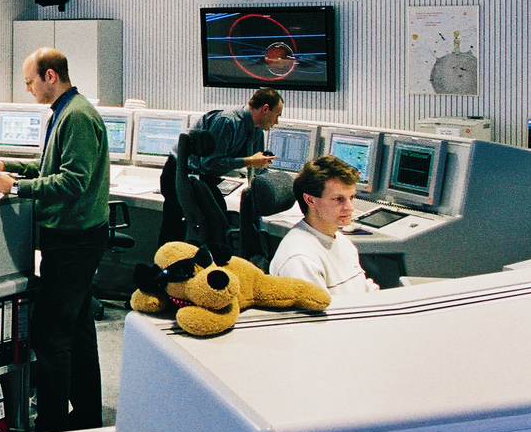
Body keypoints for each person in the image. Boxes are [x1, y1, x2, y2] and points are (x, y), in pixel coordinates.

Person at [0, 48, 110, 432]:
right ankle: (87, 414)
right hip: (73, 237)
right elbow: (51, 168)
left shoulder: (75, 117)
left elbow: (73, 181)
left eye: (30, 82)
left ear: (51, 76)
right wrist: (10, 166)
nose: (28, 89)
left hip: (74, 241)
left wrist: (19, 187)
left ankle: (52, 426)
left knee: (51, 331)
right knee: (77, 329)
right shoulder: (66, 112)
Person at [160, 87, 285, 246]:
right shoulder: (227, 120)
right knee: (175, 226)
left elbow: (257, 168)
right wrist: (249, 161)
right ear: (265, 109)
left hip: (203, 175)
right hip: (180, 172)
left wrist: (263, 193)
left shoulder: (256, 130)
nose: (277, 122)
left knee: (219, 221)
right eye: (277, 115)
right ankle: (164, 266)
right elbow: (211, 162)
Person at [270, 155, 379, 300]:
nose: (350, 208)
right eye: (339, 199)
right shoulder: (300, 259)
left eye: (351, 197)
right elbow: (320, 319)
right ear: (310, 200)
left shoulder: (341, 241)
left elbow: (363, 290)